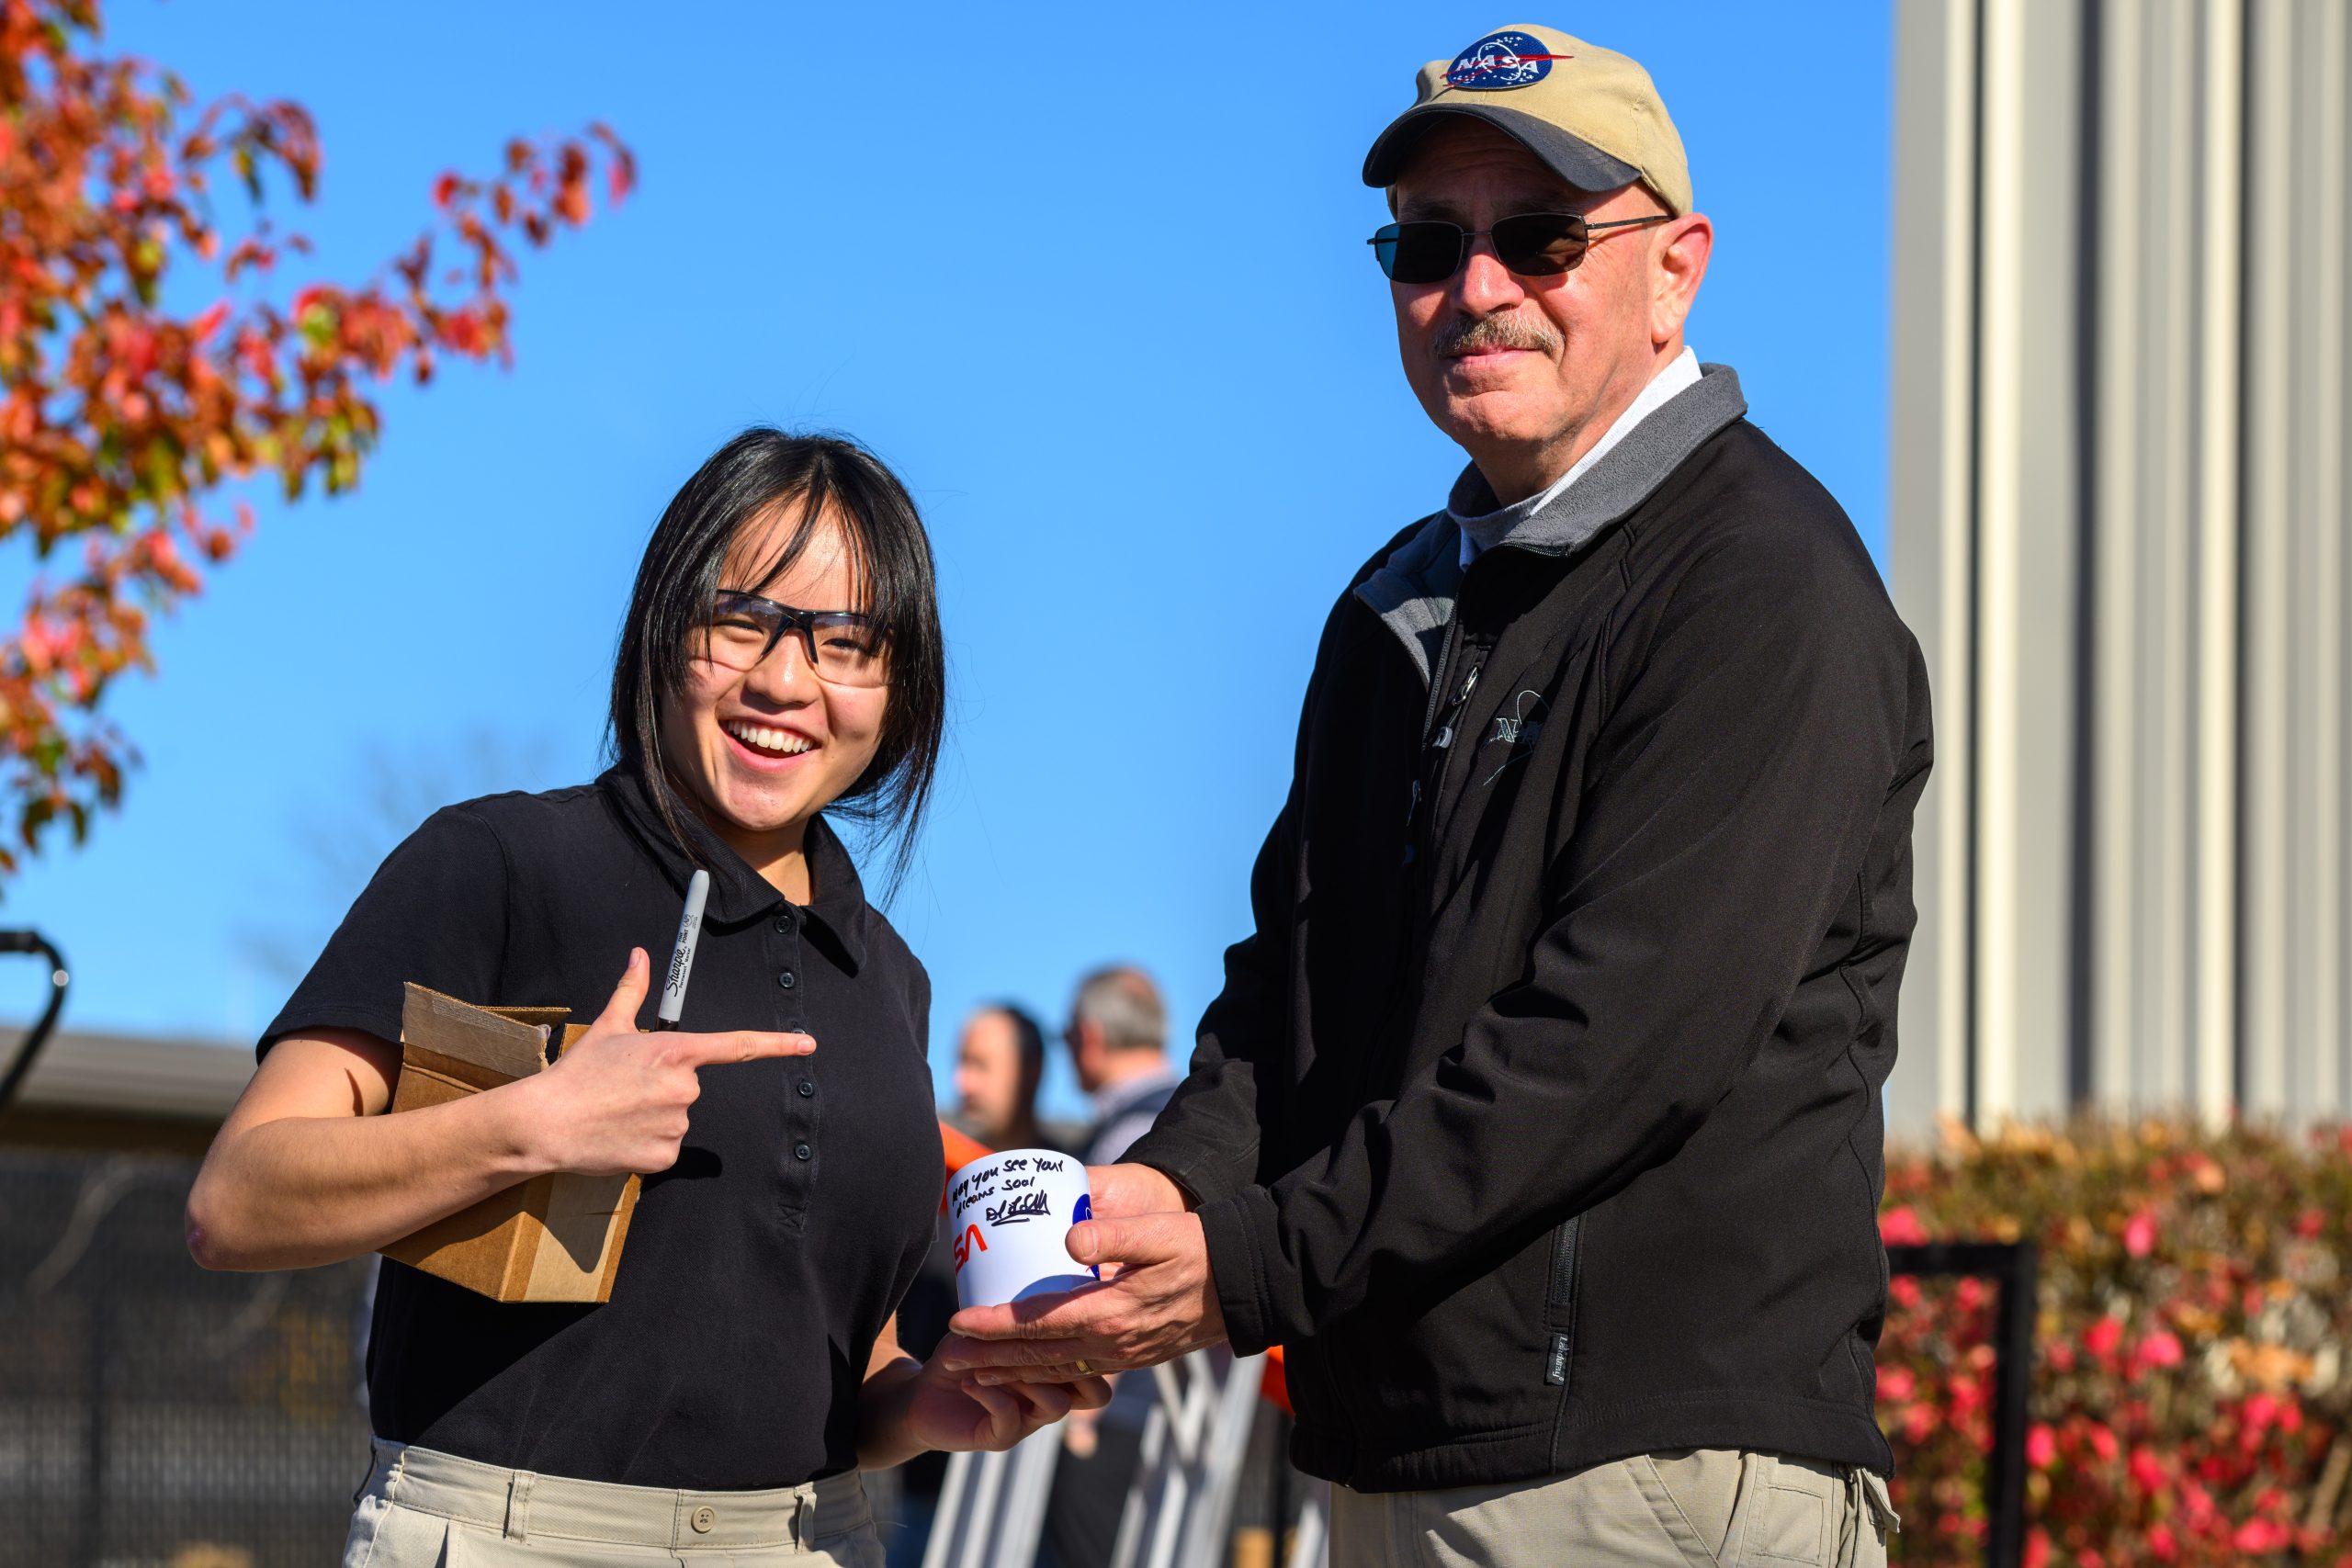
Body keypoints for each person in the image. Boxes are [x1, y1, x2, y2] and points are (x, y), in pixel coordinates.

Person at [947, 24, 1928, 1567]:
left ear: (1677, 270)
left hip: (1643, 1481)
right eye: (1427, 243)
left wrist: (1248, 1266)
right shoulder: (1398, 607)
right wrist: (1151, 1215)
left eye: (1541, 237)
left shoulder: (1758, 584)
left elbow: (1602, 1054)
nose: (1475, 287)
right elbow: (1289, 1007)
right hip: (1400, 1461)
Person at [186, 429, 1105, 1567]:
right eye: (741, 621)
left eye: (844, 643)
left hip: (816, 1541)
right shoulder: (502, 864)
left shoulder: (888, 978)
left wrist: (923, 1411)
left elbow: (836, 1361)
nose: (783, 680)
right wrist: (527, 1125)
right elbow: (235, 1200)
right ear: (663, 629)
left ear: (898, 687)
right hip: (506, 1536)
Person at [1036, 967, 1180, 1568]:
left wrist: (1081, 1411)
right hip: (1167, 1404)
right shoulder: (1186, 1114)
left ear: (1090, 1036)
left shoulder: (1130, 1128)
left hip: (1119, 1404)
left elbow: (1111, 1268)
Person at [950, 1003, 1056, 1153]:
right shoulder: (945, 1170)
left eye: (980, 1065)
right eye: (962, 1063)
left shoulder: (1071, 1171)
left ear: (1030, 1071)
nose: (962, 1084)